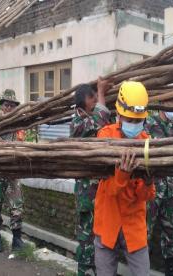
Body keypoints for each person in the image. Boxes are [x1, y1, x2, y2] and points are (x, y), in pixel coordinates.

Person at [94, 81, 156, 276]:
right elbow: (109, 189)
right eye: (130, 119)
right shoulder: (105, 137)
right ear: (119, 114)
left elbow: (146, 196)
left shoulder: (147, 144)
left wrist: (147, 180)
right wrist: (122, 175)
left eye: (138, 121)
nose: (134, 125)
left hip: (133, 226)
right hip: (108, 222)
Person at [70, 78, 112, 276]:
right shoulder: (78, 122)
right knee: (87, 238)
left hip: (99, 191)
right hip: (88, 193)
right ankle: (84, 272)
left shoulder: (87, 116)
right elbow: (101, 118)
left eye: (96, 96)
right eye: (91, 96)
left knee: (98, 238)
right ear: (81, 101)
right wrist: (102, 92)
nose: (95, 99)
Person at [145, 98, 173, 276]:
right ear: (162, 102)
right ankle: (141, 267)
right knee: (145, 229)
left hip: (170, 189)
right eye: (171, 103)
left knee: (171, 229)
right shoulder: (149, 124)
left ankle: (171, 268)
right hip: (152, 189)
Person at [0, 89, 26, 253]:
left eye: (12, 105)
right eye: (6, 105)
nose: (9, 108)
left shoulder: (18, 124)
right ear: (1, 106)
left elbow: (21, 142)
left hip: (12, 171)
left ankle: (17, 238)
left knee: (17, 205)